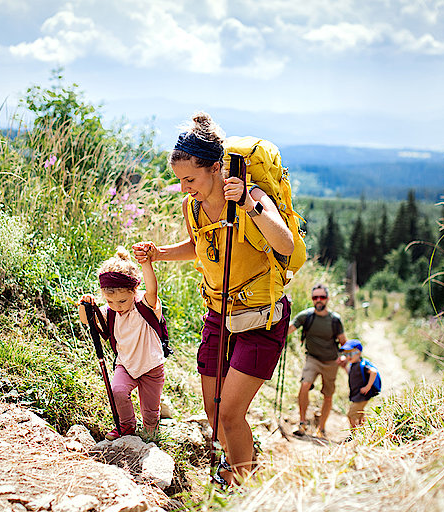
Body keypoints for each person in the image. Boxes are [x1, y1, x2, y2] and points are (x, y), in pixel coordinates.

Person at [133, 112, 294, 485]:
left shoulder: (251, 197)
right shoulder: (194, 206)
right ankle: (239, 465)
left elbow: (284, 242)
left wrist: (251, 206)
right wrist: (159, 254)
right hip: (218, 315)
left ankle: (242, 484)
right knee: (213, 412)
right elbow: (199, 246)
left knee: (230, 414)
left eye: (190, 179)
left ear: (216, 168)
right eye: (180, 181)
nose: (185, 187)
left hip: (260, 318)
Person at [78, 245, 165, 441]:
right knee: (117, 390)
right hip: (125, 364)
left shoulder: (145, 305)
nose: (117, 307)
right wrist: (85, 305)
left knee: (150, 410)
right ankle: (127, 426)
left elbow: (152, 288)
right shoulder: (110, 312)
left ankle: (151, 434)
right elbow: (87, 320)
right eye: (110, 301)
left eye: (123, 302)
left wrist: (146, 264)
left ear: (134, 291)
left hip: (151, 366)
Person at [287, 284, 347, 438]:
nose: (318, 300)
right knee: (304, 385)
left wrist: (344, 356)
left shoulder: (335, 320)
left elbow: (344, 343)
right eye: (315, 297)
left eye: (322, 297)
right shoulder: (305, 316)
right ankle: (302, 423)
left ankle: (321, 428)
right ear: (312, 299)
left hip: (331, 362)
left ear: (327, 299)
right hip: (312, 358)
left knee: (328, 395)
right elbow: (288, 329)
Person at [338, 339, 379, 435]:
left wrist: (368, 387)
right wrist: (345, 368)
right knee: (360, 414)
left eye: (350, 354)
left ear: (358, 353)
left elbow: (373, 372)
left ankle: (355, 434)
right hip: (357, 394)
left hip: (362, 395)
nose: (348, 357)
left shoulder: (362, 365)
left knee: (351, 415)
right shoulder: (353, 365)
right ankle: (364, 432)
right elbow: (353, 376)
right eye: (346, 354)